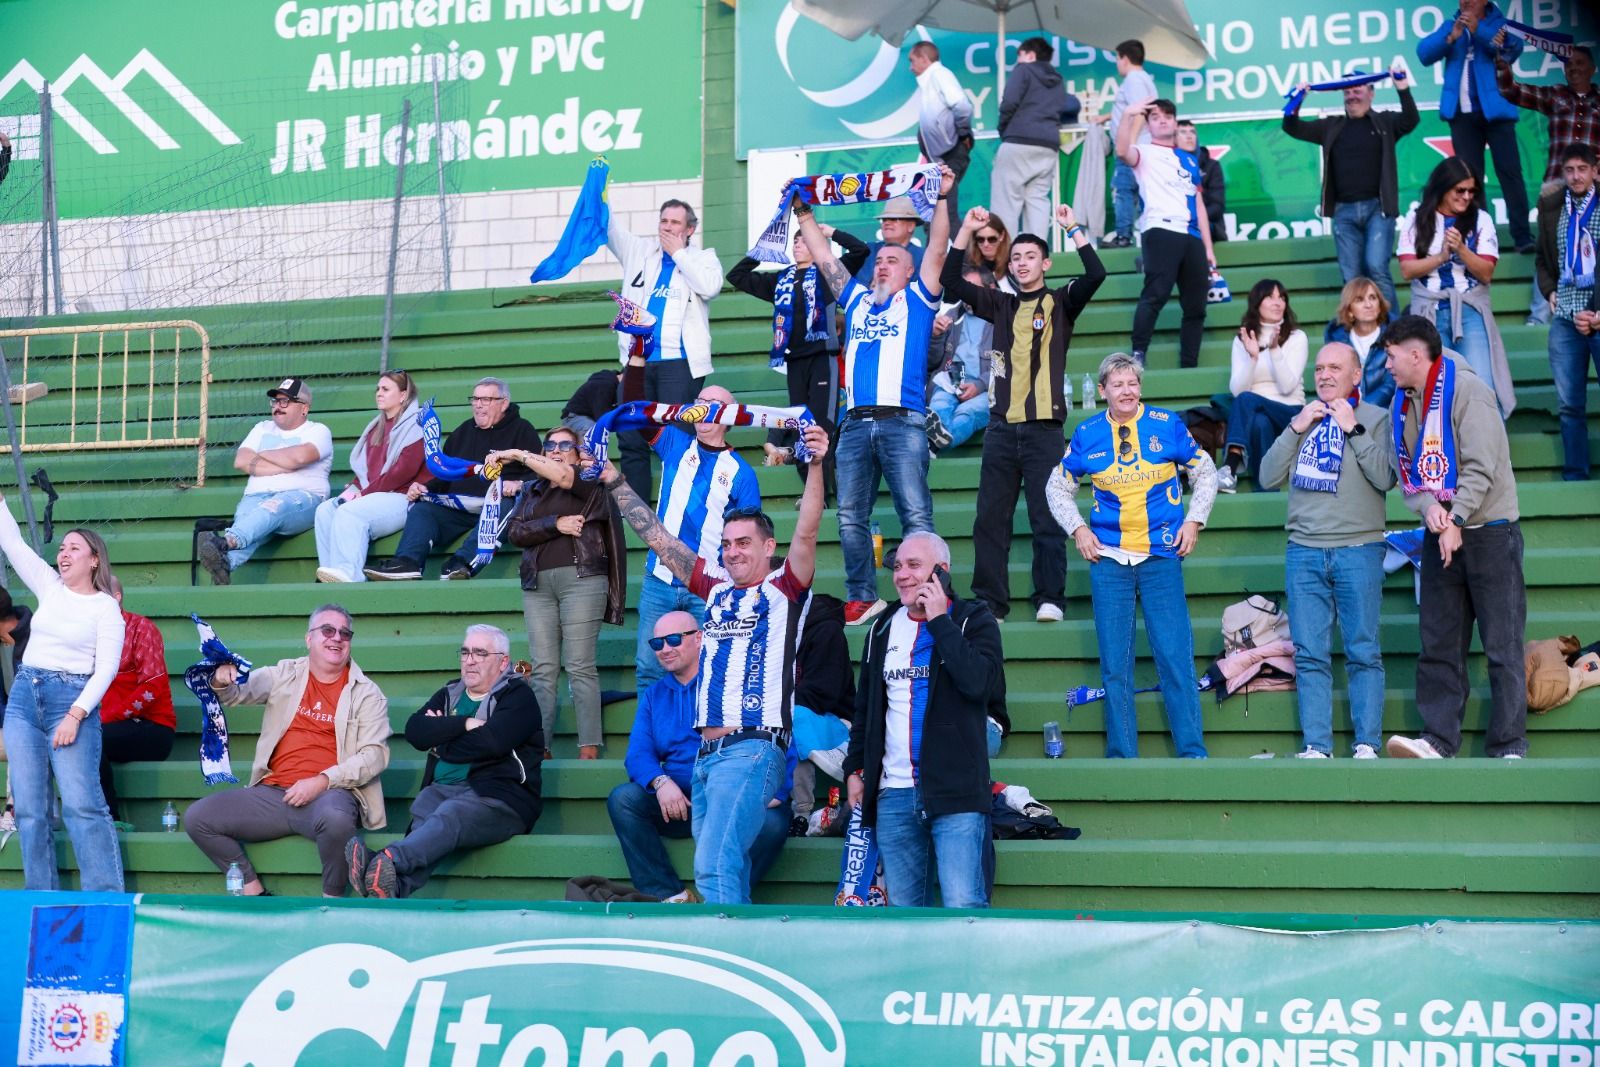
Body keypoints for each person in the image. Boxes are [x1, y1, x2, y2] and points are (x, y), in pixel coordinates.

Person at [599, 422, 830, 904]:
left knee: (713, 865)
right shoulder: (715, 588)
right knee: (722, 870)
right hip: (707, 757)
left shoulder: (784, 588)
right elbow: (660, 538)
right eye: (726, 543)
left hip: (750, 748)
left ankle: (721, 957)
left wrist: (816, 465)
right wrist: (615, 481)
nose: (732, 551)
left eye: (743, 542)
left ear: (769, 547)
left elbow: (808, 528)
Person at [795, 164, 956, 625]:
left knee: (915, 515)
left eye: (892, 261)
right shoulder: (859, 300)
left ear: (909, 271)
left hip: (902, 420)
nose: (883, 264)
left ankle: (929, 595)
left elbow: (940, 248)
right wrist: (804, 211)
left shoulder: (920, 299)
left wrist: (943, 198)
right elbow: (826, 258)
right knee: (849, 518)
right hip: (854, 424)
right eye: (879, 260)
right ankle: (862, 595)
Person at [1047, 353, 1218, 758]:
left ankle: (1193, 753)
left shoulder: (1167, 424)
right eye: (1118, 384)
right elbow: (1056, 488)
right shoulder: (1087, 433)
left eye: (1133, 383)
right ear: (1102, 391)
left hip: (1161, 556)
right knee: (1115, 666)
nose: (1127, 391)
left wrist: (1194, 521)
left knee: (1175, 658)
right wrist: (1078, 528)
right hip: (1109, 561)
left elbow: (1206, 471)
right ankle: (1122, 757)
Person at [944, 203, 1107, 622]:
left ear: (1046, 263)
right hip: (1001, 428)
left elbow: (1095, 275)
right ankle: (990, 603)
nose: (1021, 262)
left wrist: (1073, 226)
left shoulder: (1060, 302)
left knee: (1047, 516)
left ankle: (1049, 597)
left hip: (1043, 430)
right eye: (1015, 257)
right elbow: (948, 279)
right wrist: (966, 229)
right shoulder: (999, 303)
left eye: (1030, 256)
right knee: (989, 521)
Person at [1381, 315, 1526, 759]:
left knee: (1502, 645)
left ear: (1415, 353)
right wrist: (1433, 513)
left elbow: (1482, 466)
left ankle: (1508, 746)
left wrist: (1457, 519)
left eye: (1390, 355)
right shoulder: (1402, 404)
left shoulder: (1470, 391)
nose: (1386, 365)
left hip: (1490, 532)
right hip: (1442, 530)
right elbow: (1408, 473)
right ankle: (1438, 739)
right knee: (1439, 642)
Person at [844, 531, 1005, 908]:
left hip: (956, 793)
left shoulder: (973, 620)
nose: (901, 575)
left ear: (942, 572)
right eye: (898, 566)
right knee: (905, 916)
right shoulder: (881, 628)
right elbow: (865, 709)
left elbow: (980, 685)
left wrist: (939, 622)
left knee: (964, 906)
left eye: (914, 565)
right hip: (894, 795)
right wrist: (854, 767)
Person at [185, 605, 390, 896]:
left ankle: (332, 900)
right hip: (273, 794)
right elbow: (236, 693)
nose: (337, 638)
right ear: (309, 639)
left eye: (345, 633)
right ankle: (253, 889)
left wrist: (321, 781)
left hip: (328, 795)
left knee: (337, 819)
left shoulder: (367, 693)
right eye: (328, 630)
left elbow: (374, 756)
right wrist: (221, 679)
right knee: (198, 818)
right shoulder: (284, 673)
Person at [1259, 343, 1397, 759]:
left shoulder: (1376, 418)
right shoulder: (1302, 420)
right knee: (1309, 653)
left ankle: (1367, 743)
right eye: (1318, 368)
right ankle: (1317, 744)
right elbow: (1267, 476)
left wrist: (1354, 429)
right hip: (1305, 551)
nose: (1324, 375)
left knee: (1362, 650)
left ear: (1357, 375)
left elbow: (1386, 477)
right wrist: (1296, 427)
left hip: (1358, 549)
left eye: (1335, 367)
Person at [606, 612, 793, 903]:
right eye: (657, 643)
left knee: (773, 822)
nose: (665, 649)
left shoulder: (731, 683)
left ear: (699, 638)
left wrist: (772, 788)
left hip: (732, 791)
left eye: (673, 639)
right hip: (683, 801)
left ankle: (724, 896)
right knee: (623, 799)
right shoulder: (655, 695)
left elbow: (777, 736)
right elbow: (638, 753)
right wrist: (660, 782)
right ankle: (669, 895)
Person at [345, 624, 542, 899]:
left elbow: (493, 742)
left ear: (503, 662)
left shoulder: (518, 696)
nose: (469, 660)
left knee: (449, 814)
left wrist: (442, 736)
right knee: (426, 809)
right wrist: (465, 722)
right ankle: (393, 888)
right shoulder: (451, 694)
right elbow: (415, 730)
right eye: (465, 652)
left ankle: (385, 857)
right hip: (442, 791)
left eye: (480, 653)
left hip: (499, 797)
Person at [0, 497, 125, 891]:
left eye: (74, 548)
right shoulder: (49, 587)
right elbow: (13, 543)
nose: (64, 553)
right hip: (25, 697)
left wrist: (76, 714)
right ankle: (41, 896)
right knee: (30, 811)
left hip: (70, 700)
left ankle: (104, 897)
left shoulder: (106, 608)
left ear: (94, 561)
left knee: (82, 804)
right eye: (62, 547)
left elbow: (105, 668)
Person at [620, 358, 761, 694]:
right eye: (699, 404)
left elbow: (749, 539)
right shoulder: (675, 443)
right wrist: (638, 358)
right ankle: (653, 745)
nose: (702, 411)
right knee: (649, 669)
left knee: (709, 671)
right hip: (661, 580)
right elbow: (634, 410)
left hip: (709, 586)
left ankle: (699, 746)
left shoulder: (742, 473)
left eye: (713, 406)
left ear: (729, 416)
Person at [497, 426, 627, 759]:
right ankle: (540, 747)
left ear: (578, 451)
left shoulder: (589, 478)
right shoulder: (534, 489)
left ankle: (588, 747)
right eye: (550, 445)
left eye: (565, 445)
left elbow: (566, 478)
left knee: (580, 665)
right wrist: (555, 524)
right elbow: (515, 532)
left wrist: (519, 455)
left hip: (582, 578)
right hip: (537, 585)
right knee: (542, 668)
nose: (556, 449)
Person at [727, 223, 870, 496]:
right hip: (795, 362)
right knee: (802, 426)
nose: (797, 244)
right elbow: (737, 275)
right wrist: (766, 248)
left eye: (804, 240)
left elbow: (861, 250)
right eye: (794, 241)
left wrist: (830, 233)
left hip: (822, 359)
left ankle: (824, 495)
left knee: (821, 428)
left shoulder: (830, 274)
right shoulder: (781, 279)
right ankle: (811, 494)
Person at [365, 377, 541, 580]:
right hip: (459, 505)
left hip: (496, 502)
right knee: (423, 509)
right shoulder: (463, 431)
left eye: (486, 400)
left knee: (505, 505)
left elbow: (537, 473)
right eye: (475, 399)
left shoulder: (522, 430)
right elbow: (444, 474)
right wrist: (424, 488)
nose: (478, 405)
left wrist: (519, 484)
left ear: (504, 403)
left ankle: (462, 564)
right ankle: (407, 563)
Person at [607, 199, 725, 497]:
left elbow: (710, 287)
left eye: (675, 223)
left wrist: (679, 254)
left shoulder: (703, 258)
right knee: (631, 436)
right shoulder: (640, 250)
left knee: (676, 439)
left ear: (690, 229)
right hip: (638, 361)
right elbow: (608, 227)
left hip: (679, 363)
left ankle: (678, 503)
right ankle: (639, 512)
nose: (668, 227)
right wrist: (598, 189)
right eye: (664, 221)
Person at [1281, 68, 1418, 312]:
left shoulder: (1385, 122)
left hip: (1378, 208)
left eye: (1357, 90)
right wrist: (1298, 98)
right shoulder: (1331, 126)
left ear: (1371, 94)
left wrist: (1403, 87)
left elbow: (1411, 119)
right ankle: (1358, 332)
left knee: (1376, 268)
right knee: (1351, 277)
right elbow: (1292, 127)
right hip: (1344, 212)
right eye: (1347, 92)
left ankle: (1395, 329)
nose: (1352, 96)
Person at [1398, 158, 1516, 416]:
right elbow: (1407, 269)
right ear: (1443, 187)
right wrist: (1441, 257)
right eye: (1459, 190)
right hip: (1428, 311)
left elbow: (1486, 273)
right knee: (1432, 391)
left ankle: (1492, 455)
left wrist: (1461, 249)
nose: (1466, 197)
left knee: (1482, 386)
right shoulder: (1416, 218)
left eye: (1471, 191)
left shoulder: (1481, 219)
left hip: (1470, 310)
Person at [1416, 0, 1532, 252]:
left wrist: (1479, 29)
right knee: (1470, 180)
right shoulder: (1451, 25)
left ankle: (1523, 236)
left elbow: (1512, 49)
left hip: (1497, 113)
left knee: (1510, 173)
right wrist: (1450, 36)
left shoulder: (1500, 24)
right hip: (1462, 116)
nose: (1465, 1)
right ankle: (1483, 238)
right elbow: (1423, 54)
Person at [1497, 45, 1598, 325]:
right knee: (1549, 248)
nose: (1574, 68)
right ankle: (1540, 315)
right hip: (1556, 183)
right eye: (1569, 64)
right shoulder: (1556, 95)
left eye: (1580, 63)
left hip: (1595, 185)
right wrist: (1502, 62)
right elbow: (1511, 91)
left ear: (1593, 69)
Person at [199, 377, 332, 586]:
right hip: (255, 495)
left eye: (285, 402)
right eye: (276, 401)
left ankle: (226, 541)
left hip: (302, 498)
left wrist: (261, 454)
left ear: (304, 408)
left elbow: (300, 458)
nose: (278, 407)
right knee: (251, 519)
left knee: (272, 509)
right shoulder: (262, 427)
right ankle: (225, 564)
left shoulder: (318, 431)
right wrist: (286, 463)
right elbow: (241, 460)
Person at [1119, 98, 1217, 369]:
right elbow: (1121, 150)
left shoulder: (1189, 158)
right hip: (1160, 229)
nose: (1162, 120)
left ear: (1175, 122)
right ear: (1149, 124)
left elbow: (1198, 204)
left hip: (1192, 235)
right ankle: (1138, 354)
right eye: (1156, 116)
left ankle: (1189, 365)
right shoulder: (1143, 152)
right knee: (1155, 294)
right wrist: (1128, 115)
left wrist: (1209, 248)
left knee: (1196, 306)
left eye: (1168, 116)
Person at [313, 370, 425, 583]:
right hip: (375, 495)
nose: (379, 393)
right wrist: (354, 490)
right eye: (377, 389)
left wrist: (363, 494)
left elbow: (401, 473)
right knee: (325, 510)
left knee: (349, 512)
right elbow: (367, 473)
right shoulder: (376, 427)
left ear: (403, 395)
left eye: (385, 389)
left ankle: (350, 574)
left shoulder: (417, 424)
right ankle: (330, 573)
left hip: (405, 497)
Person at [1218, 279, 1309, 493]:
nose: (1278, 303)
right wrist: (1253, 358)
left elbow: (1287, 387)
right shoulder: (1243, 340)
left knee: (1249, 401)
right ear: (1257, 302)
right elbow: (1238, 390)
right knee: (1259, 423)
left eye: (1282, 297)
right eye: (1270, 297)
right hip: (1257, 413)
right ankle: (1266, 491)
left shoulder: (1297, 337)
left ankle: (1231, 466)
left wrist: (1275, 350)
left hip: (1290, 412)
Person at [1544, 143, 1600, 481]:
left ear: (1595, 170)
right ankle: (1576, 473)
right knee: (1569, 406)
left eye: (1582, 168)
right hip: (1565, 317)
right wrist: (1549, 289)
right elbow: (1543, 258)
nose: (1576, 176)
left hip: (1597, 314)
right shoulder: (1553, 206)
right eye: (1570, 170)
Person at [98, 577, 174, 820]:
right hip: (109, 725)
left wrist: (109, 716)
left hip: (153, 728)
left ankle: (109, 820)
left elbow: (153, 687)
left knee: (88, 740)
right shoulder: (89, 633)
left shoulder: (141, 628)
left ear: (117, 597)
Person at [991, 37, 1076, 240]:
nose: (1018, 61)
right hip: (1047, 145)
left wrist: (1004, 129)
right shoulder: (1057, 80)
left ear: (1030, 55)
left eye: (1019, 55)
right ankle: (1036, 258)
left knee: (1006, 204)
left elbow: (1009, 102)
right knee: (1038, 202)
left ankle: (1004, 263)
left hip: (1018, 140)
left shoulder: (1023, 70)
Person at [925, 265, 993, 457]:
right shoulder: (949, 315)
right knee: (939, 405)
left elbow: (1009, 366)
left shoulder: (1004, 318)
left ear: (990, 289)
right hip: (950, 381)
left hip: (989, 389)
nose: (966, 293)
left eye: (972, 287)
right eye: (963, 287)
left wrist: (979, 385)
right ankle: (933, 442)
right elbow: (931, 363)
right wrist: (936, 336)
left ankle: (932, 446)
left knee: (968, 412)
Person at [1097, 39, 1158, 249]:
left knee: (1123, 190)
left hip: (1134, 148)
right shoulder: (1142, 79)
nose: (1117, 63)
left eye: (1117, 58)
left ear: (1125, 59)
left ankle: (1123, 237)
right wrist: (1105, 117)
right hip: (1140, 147)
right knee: (1135, 191)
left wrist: (1129, 144)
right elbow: (1130, 107)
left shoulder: (1134, 79)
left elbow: (1140, 111)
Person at [909, 40, 974, 227]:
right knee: (936, 215)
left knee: (946, 214)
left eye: (912, 60)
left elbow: (962, 105)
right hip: (942, 157)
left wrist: (962, 134)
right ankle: (940, 255)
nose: (911, 67)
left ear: (923, 59)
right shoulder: (932, 80)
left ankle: (960, 256)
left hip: (950, 154)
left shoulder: (939, 74)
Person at [1324, 277, 1396, 408]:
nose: (1368, 305)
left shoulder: (1394, 336)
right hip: (1345, 410)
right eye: (1359, 300)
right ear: (1350, 310)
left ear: (1380, 305)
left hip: (1384, 412)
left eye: (1373, 298)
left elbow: (1390, 386)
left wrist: (1362, 408)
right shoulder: (1336, 340)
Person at [844, 199, 926, 288]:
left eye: (894, 219)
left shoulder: (924, 257)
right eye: (884, 219)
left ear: (911, 226)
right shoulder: (865, 251)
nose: (887, 223)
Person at [1175, 120, 1227, 245]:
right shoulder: (1167, 165)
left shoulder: (1211, 166)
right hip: (1176, 226)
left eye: (1192, 132)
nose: (1189, 136)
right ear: (1173, 138)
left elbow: (1217, 207)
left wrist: (1190, 219)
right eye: (1183, 132)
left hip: (1208, 227)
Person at [561, 368, 622, 436]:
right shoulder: (604, 384)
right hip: (574, 417)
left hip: (589, 418)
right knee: (593, 432)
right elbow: (602, 418)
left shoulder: (617, 386)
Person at [964, 213, 1014, 288]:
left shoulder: (1014, 259)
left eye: (992, 239)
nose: (986, 244)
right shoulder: (967, 261)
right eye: (980, 239)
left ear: (1002, 236)